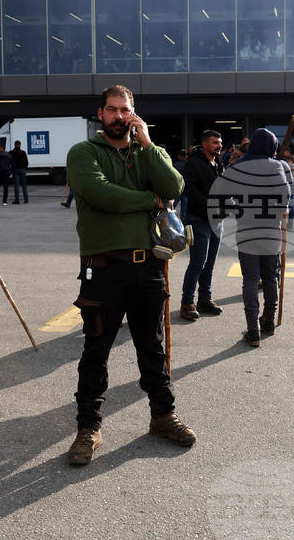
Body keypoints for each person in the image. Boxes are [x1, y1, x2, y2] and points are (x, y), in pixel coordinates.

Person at [65, 84, 194, 465]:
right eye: (112, 110)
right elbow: (100, 194)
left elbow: (174, 187)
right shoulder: (84, 152)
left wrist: (150, 144)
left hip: (150, 266)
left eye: (126, 110)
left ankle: (163, 417)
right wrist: (148, 199)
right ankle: (88, 427)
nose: (119, 116)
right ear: (100, 114)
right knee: (96, 350)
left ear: (135, 113)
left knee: (152, 348)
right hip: (103, 268)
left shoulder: (149, 152)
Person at [219, 129, 292, 347]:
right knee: (270, 277)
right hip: (271, 228)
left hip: (247, 228)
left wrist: (240, 208)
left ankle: (253, 330)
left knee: (250, 279)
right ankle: (268, 321)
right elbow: (285, 195)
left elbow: (221, 199)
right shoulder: (275, 165)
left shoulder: (235, 166)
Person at [179, 130, 225, 321]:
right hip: (198, 220)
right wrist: (211, 205)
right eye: (215, 142)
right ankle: (187, 302)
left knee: (210, 264)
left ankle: (204, 299)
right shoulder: (193, 164)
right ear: (205, 144)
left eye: (220, 142)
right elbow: (189, 189)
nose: (219, 145)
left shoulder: (219, 162)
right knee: (198, 263)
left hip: (217, 221)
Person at [173, 149, 188, 218]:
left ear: (178, 156)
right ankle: (183, 225)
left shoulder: (174, 165)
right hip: (186, 189)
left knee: (172, 207)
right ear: (187, 156)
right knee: (184, 210)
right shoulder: (189, 165)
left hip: (177, 189)